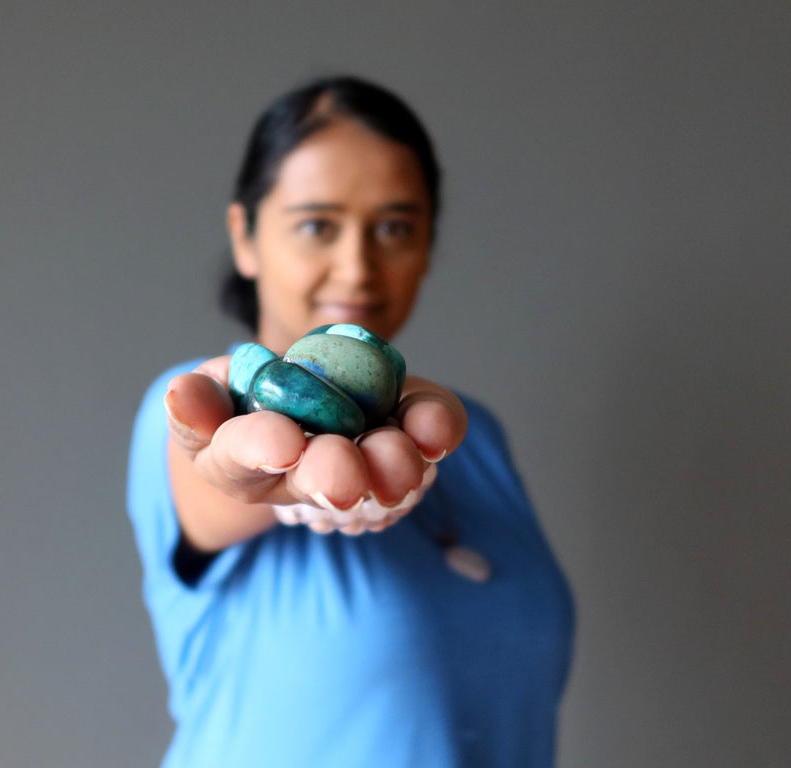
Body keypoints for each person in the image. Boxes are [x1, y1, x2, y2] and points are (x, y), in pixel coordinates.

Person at [127, 75, 575, 768]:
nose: (357, 267)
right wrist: (284, 488)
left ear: (428, 244)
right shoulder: (196, 405)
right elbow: (214, 481)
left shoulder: (474, 436)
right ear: (245, 238)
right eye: (317, 225)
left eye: (395, 227)